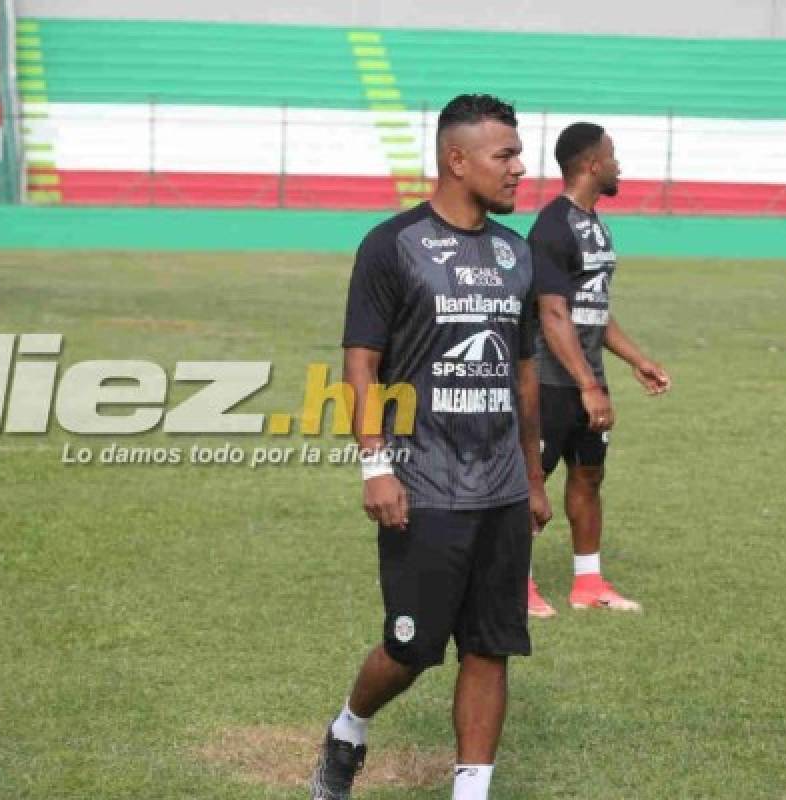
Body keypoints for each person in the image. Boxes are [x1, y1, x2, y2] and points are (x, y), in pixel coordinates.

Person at [310, 94, 552, 800]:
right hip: (424, 485)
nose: (519, 168)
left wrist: (535, 476)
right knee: (412, 648)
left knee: (490, 645)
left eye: (518, 153)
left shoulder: (517, 253)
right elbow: (361, 365)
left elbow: (525, 374)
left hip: (503, 488)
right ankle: (349, 728)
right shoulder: (392, 245)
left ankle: (470, 793)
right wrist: (376, 465)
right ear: (457, 160)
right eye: (504, 155)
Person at [524, 123, 670, 618]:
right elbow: (553, 312)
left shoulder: (596, 225)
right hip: (548, 379)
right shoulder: (551, 226)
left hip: (589, 380)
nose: (618, 165)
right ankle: (514, 586)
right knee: (531, 480)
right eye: (612, 156)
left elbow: (592, 309)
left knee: (589, 476)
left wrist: (637, 359)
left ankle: (588, 584)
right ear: (590, 165)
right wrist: (587, 383)